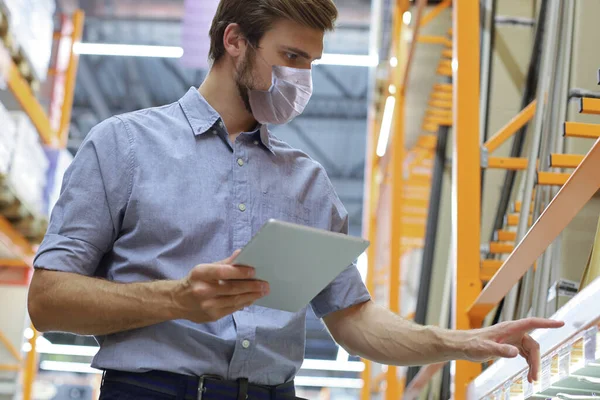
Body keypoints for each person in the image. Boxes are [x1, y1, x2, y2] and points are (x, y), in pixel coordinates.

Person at [27, 0, 563, 398]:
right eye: (290, 56)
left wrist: (460, 343)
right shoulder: (123, 146)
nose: (300, 78)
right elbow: (47, 301)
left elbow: (354, 320)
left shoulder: (307, 183)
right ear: (234, 40)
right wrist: (177, 300)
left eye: (310, 63)